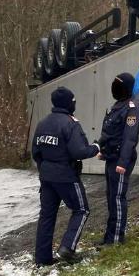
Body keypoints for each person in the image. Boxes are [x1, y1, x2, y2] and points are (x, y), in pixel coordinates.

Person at [32, 86, 101, 266]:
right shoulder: (70, 123)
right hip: (67, 177)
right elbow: (79, 151)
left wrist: (45, 169)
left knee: (47, 215)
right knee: (81, 209)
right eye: (73, 101)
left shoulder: (43, 123)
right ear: (70, 104)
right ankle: (67, 248)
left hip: (47, 177)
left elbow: (36, 152)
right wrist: (96, 148)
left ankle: (42, 258)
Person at [97, 72, 139, 246]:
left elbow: (129, 138)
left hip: (120, 161)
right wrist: (100, 148)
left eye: (118, 85)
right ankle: (109, 237)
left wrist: (123, 162)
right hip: (111, 159)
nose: (114, 88)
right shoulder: (117, 106)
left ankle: (116, 239)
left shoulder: (133, 108)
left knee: (117, 198)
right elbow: (108, 133)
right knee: (111, 198)